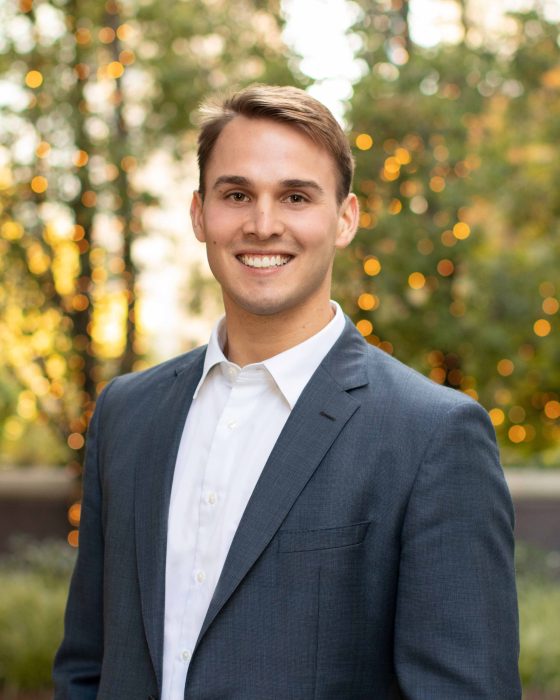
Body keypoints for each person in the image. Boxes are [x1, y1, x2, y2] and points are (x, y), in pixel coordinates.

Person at [53, 84, 520, 699]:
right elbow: (87, 667)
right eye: (237, 194)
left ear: (344, 218)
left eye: (296, 196)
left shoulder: (433, 435)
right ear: (199, 213)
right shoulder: (126, 412)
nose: (263, 224)